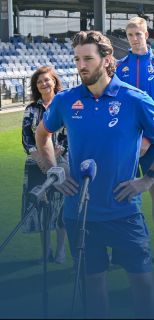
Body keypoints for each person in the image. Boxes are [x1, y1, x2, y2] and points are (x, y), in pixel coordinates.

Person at [35, 31, 154, 318]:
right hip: (80, 213)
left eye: (88, 58)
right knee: (93, 289)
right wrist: (55, 169)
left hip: (124, 212)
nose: (81, 65)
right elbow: (43, 135)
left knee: (143, 289)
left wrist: (149, 178)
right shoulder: (66, 101)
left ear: (106, 60)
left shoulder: (132, 98)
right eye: (77, 59)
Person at [116, 16, 154, 266]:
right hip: (125, 143)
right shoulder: (119, 67)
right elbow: (115, 106)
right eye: (130, 35)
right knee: (122, 191)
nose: (134, 39)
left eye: (138, 34)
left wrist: (149, 138)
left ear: (146, 35)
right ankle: (124, 248)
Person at [21, 65, 67, 264]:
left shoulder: (65, 105)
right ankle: (45, 251)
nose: (44, 84)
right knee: (42, 208)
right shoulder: (31, 109)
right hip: (35, 164)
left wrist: (55, 156)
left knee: (60, 207)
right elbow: (26, 138)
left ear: (54, 81)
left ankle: (61, 251)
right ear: (36, 87)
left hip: (61, 162)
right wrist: (39, 157)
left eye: (47, 80)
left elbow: (69, 136)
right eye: (39, 82)